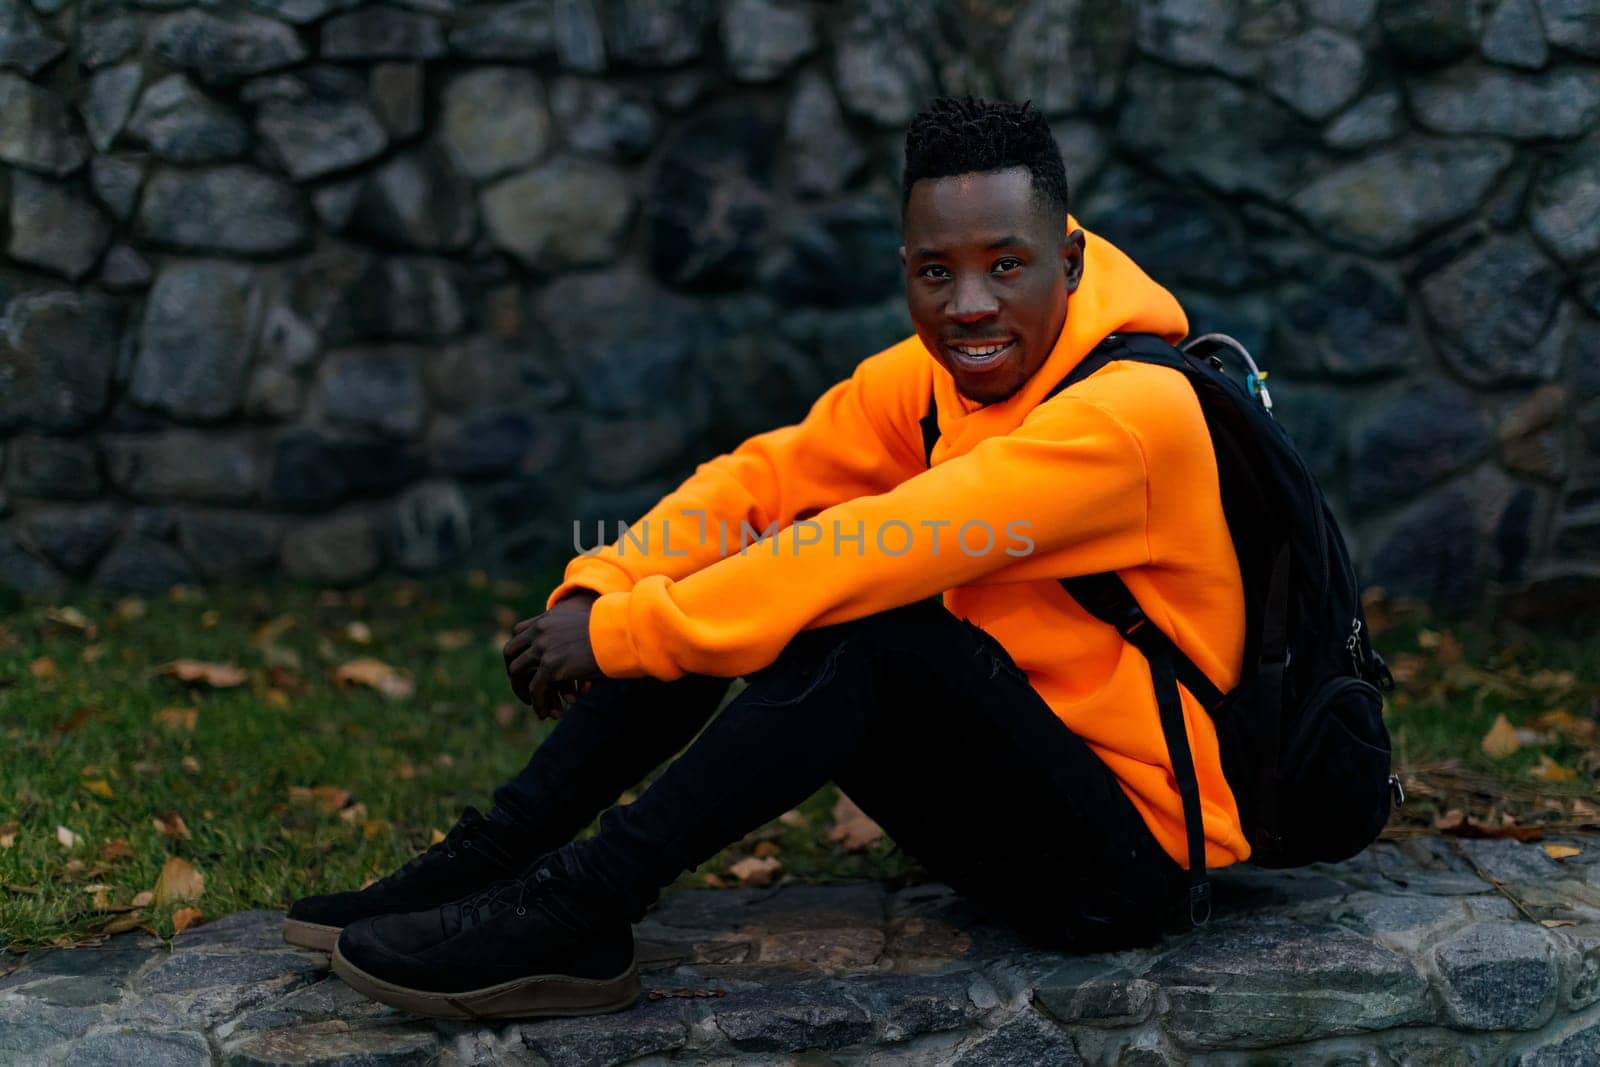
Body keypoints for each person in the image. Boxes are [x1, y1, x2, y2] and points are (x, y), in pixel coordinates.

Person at [282, 96, 1249, 1021]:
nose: (969, 305)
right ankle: (494, 859)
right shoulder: (937, 379)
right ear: (905, 266)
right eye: (935, 271)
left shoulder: (1129, 416)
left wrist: (621, 635)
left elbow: (875, 547)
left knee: (868, 624)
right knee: (747, 563)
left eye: (1006, 265)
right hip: (1011, 807)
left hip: (1129, 863)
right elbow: (764, 482)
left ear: (1069, 261)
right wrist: (604, 582)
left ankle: (579, 906)